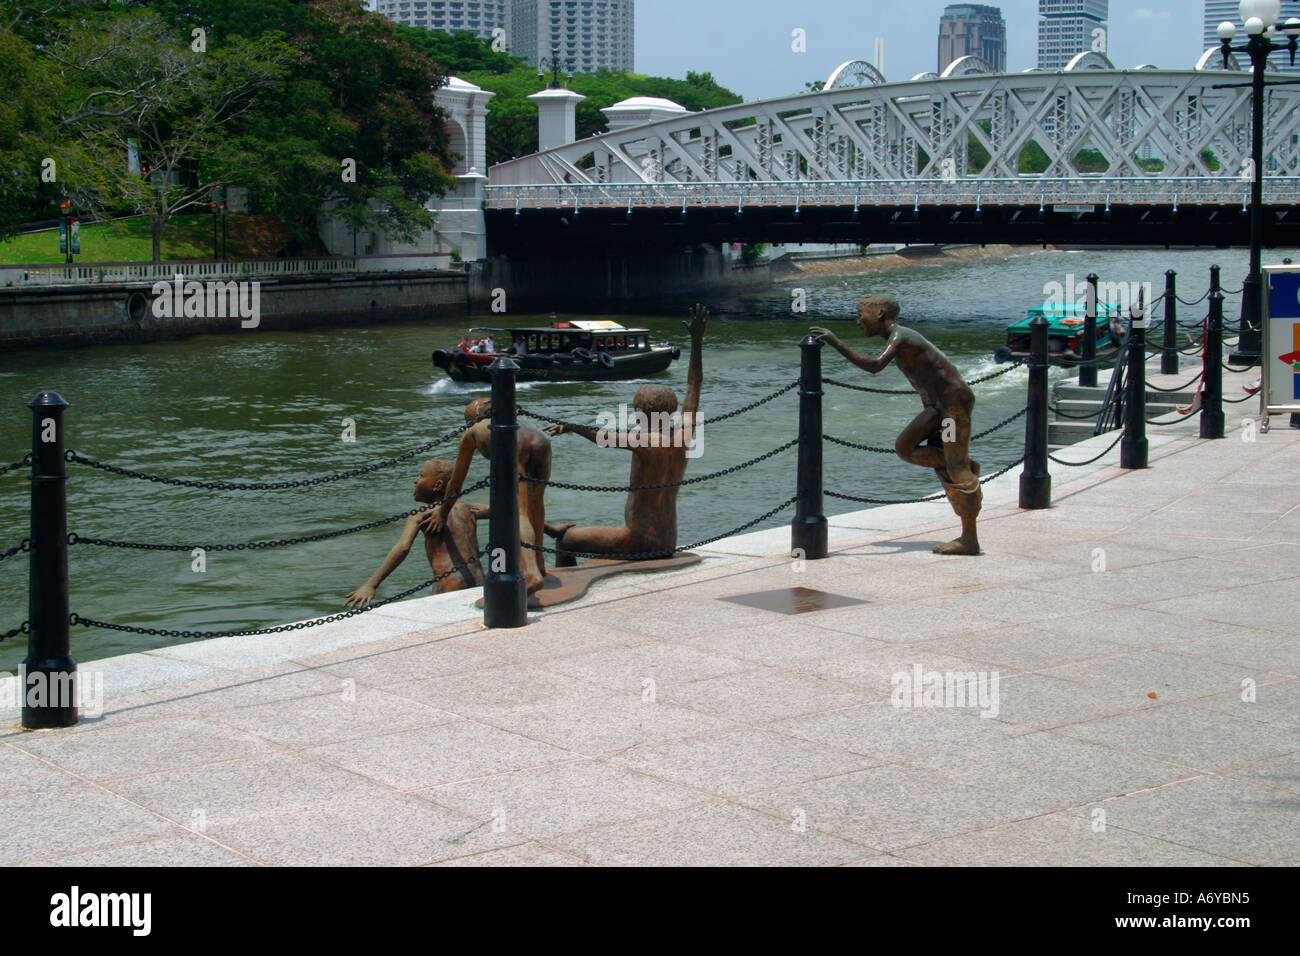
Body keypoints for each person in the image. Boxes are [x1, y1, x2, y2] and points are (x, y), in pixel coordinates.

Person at [812, 295, 982, 556]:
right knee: (905, 447)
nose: (858, 321)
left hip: (951, 408)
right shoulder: (900, 338)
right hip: (936, 409)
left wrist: (836, 343)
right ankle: (956, 462)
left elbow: (875, 366)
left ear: (879, 313)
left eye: (861, 314)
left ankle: (969, 538)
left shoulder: (900, 337)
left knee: (956, 468)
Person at [544, 304, 707, 561]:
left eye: (636, 409)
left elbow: (602, 438)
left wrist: (572, 427)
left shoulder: (645, 441)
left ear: (641, 412)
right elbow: (693, 386)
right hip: (667, 539)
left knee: (567, 540)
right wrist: (697, 343)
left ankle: (570, 588)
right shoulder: (683, 436)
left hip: (639, 539)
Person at [422, 399, 551, 595]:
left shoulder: (474, 431)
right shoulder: (520, 420)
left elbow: (456, 483)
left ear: (471, 420)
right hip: (541, 440)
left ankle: (532, 575)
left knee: (520, 511)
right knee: (536, 503)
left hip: (512, 441)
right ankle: (539, 563)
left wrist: (442, 511)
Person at [344, 459, 484, 609]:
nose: (415, 480)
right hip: (479, 581)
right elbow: (505, 509)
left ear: (437, 486)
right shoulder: (469, 508)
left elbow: (402, 548)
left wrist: (371, 584)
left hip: (448, 584)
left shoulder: (421, 515)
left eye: (421, 476)